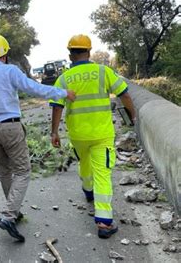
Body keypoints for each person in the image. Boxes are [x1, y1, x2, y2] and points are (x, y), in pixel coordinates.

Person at [0, 34, 76, 242]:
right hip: (11, 127)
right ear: (5, 55)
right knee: (23, 171)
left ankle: (12, 211)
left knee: (5, 171)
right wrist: (62, 93)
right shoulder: (10, 71)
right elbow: (34, 89)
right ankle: (8, 215)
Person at [49, 34, 136, 239]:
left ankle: (88, 191)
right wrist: (132, 114)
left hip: (78, 134)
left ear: (70, 55)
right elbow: (124, 93)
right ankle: (104, 222)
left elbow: (57, 108)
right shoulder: (103, 71)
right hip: (102, 134)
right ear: (89, 52)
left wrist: (54, 132)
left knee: (85, 163)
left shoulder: (63, 78)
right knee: (103, 173)